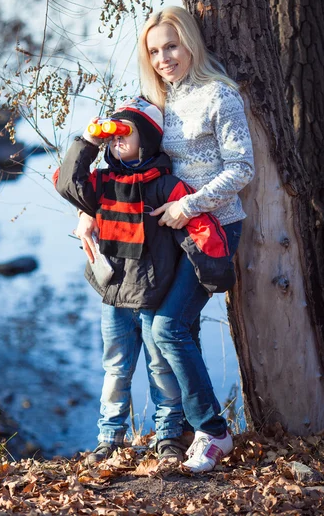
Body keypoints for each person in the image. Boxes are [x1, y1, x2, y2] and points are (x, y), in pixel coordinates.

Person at [76, 6, 255, 473]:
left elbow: (242, 169)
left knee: (166, 328)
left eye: (171, 46)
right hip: (163, 235)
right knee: (178, 330)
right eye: (154, 51)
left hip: (211, 229)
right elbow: (118, 165)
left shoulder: (221, 96)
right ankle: (179, 431)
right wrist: (85, 212)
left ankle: (213, 432)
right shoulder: (155, 100)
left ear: (190, 43)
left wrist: (187, 206)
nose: (163, 58)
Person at [54, 96, 236, 465]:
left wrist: (215, 269)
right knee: (116, 368)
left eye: (127, 134)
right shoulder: (103, 182)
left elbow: (199, 228)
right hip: (114, 294)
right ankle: (109, 436)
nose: (117, 141)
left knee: (160, 368)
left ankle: (168, 434)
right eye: (113, 136)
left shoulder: (167, 186)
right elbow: (67, 182)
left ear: (149, 141)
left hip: (154, 292)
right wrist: (88, 142)